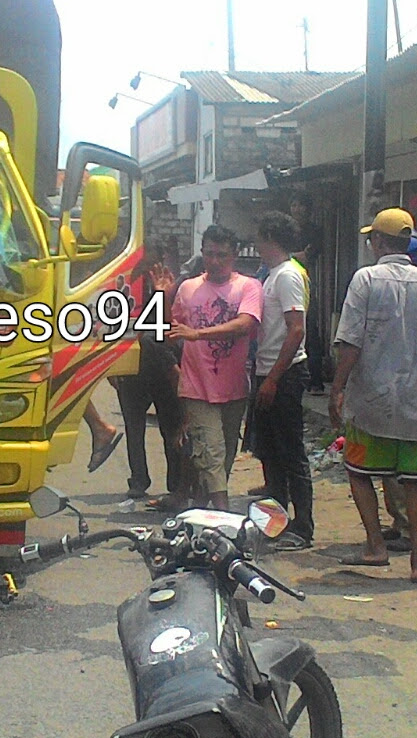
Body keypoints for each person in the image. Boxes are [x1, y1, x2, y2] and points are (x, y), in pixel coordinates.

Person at [329, 209, 417, 584]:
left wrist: (337, 386)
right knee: (416, 481)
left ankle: (375, 545)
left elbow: (350, 341)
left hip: (370, 400)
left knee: (359, 472)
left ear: (377, 242)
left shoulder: (366, 280)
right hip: (416, 401)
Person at [170, 225, 262, 511]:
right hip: (197, 386)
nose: (215, 261)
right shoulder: (188, 288)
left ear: (234, 254)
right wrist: (162, 295)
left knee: (225, 454)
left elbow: (246, 324)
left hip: (233, 387)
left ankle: (201, 504)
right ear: (202, 254)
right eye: (209, 254)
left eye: (221, 255)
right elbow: (170, 329)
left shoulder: (249, 286)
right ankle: (223, 513)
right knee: (211, 451)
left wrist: (199, 334)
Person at [251, 212, 314, 549]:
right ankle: (276, 522)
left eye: (260, 238)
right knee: (270, 453)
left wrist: (273, 378)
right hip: (269, 369)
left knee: (290, 453)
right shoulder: (273, 276)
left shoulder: (287, 276)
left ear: (270, 239)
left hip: (284, 372)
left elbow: (296, 329)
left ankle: (303, 527)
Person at [111, 258, 188, 505]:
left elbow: (168, 338)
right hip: (136, 370)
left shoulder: (168, 291)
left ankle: (171, 485)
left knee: (169, 429)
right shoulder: (121, 291)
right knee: (139, 428)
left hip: (160, 367)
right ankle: (142, 481)